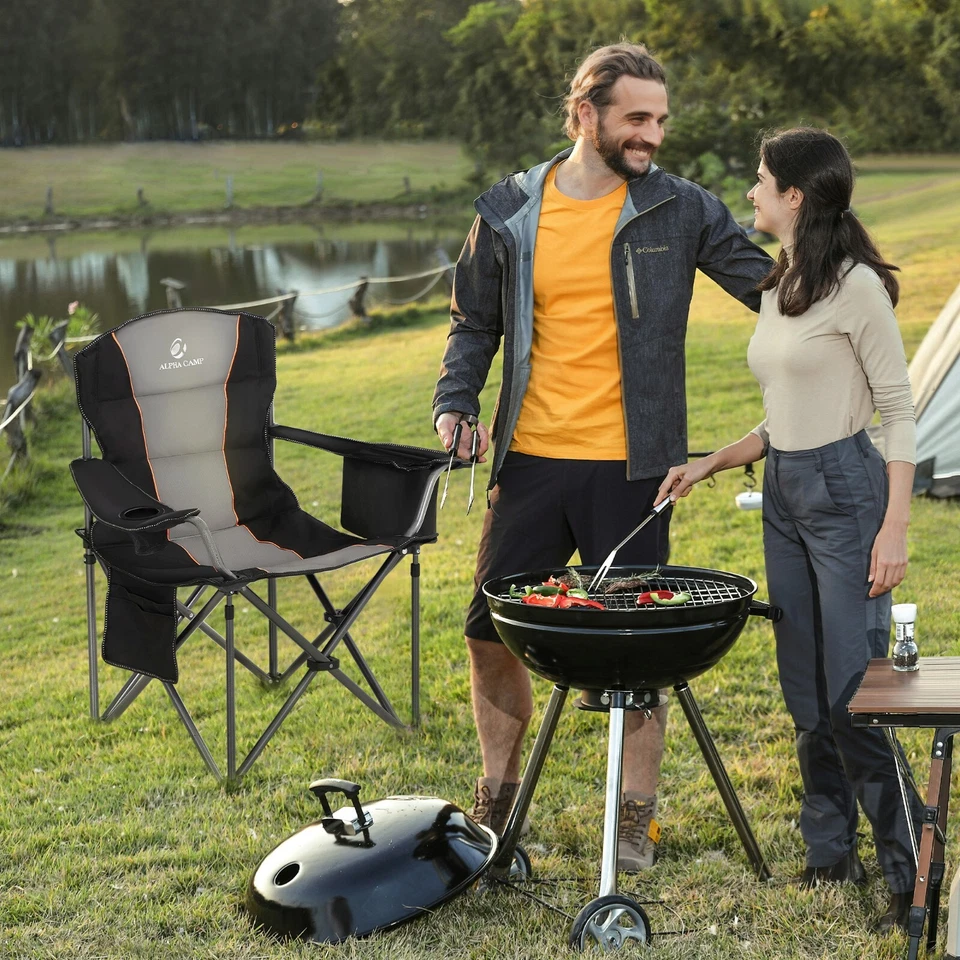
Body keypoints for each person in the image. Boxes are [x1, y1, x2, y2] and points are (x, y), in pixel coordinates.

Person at [432, 42, 773, 872]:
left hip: (635, 469)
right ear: (586, 115)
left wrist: (848, 280)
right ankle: (498, 798)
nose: (652, 134)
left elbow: (770, 287)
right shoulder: (511, 208)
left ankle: (634, 818)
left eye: (659, 119)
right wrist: (455, 402)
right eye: (637, 118)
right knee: (490, 632)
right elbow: (473, 324)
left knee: (637, 649)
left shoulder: (681, 207)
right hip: (533, 462)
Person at [656, 127, 921, 931]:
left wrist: (895, 529)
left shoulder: (857, 287)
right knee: (805, 688)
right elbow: (782, 415)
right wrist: (711, 461)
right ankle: (828, 854)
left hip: (848, 489)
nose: (751, 194)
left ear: (795, 196)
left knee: (853, 691)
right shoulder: (784, 283)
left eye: (762, 181)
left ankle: (912, 873)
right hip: (784, 490)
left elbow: (900, 412)